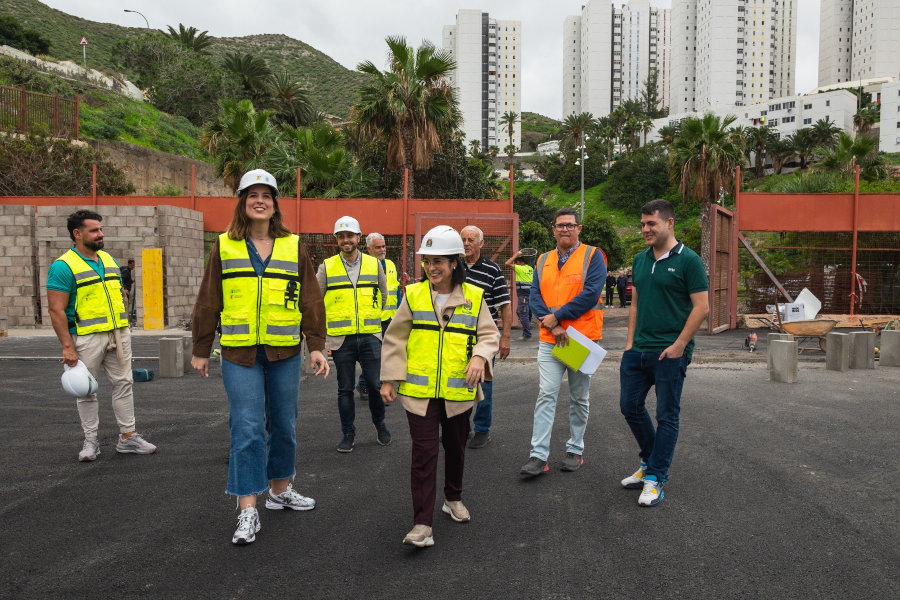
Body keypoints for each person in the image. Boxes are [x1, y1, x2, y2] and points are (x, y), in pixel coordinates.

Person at [191, 169, 329, 545]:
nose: (259, 200)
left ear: (274, 204)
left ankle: (280, 491)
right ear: (242, 202)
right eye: (252, 194)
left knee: (284, 424)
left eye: (266, 195)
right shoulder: (225, 245)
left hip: (284, 351)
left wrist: (316, 344)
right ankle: (247, 509)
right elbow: (208, 299)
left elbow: (311, 299)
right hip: (239, 353)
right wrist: (201, 348)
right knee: (248, 427)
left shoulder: (293, 246)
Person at [380, 226, 500, 548]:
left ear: (455, 263)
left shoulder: (474, 297)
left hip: (458, 391)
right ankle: (422, 524)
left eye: (439, 262)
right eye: (428, 261)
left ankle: (453, 497)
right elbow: (395, 337)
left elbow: (489, 335)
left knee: (456, 447)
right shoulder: (414, 295)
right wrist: (389, 378)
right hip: (419, 393)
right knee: (424, 453)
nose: (432, 268)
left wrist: (479, 358)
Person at [46, 210, 157, 462]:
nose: (101, 234)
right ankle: (91, 442)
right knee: (86, 390)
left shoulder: (107, 258)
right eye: (94, 230)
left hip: (118, 333)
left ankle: (128, 437)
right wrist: (67, 347)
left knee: (124, 383)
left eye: (100, 229)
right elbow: (55, 309)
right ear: (77, 233)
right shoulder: (63, 266)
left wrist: (123, 328)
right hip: (86, 337)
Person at [619, 199, 708, 507]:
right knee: (629, 407)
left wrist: (680, 345)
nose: (645, 229)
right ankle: (649, 462)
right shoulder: (640, 260)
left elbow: (702, 307)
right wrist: (630, 343)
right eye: (642, 224)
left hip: (670, 352)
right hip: (638, 350)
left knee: (666, 415)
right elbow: (636, 304)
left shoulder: (689, 260)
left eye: (651, 223)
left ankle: (655, 477)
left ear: (669, 223)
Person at [520, 208, 607, 476]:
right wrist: (554, 324)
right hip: (550, 339)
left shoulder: (593, 256)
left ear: (579, 228)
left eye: (570, 225)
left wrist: (557, 317)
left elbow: (591, 294)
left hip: (578, 339)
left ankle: (575, 450)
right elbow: (535, 297)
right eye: (560, 225)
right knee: (546, 394)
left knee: (579, 397)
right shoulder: (543, 260)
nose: (565, 229)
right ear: (553, 229)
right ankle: (538, 456)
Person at [318, 216, 390, 452]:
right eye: (341, 236)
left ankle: (380, 424)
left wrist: (376, 324)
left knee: (375, 384)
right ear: (337, 240)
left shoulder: (374, 264)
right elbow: (317, 300)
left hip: (370, 335)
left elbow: (384, 294)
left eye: (350, 236)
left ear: (359, 238)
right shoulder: (327, 266)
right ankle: (348, 433)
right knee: (345, 388)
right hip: (341, 339)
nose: (346, 240)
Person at [460, 226, 511, 450]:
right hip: (457, 336)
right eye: (463, 239)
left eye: (472, 239)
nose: (467, 243)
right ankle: (461, 427)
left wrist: (505, 338)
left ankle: (482, 429)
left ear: (481, 243)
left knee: (484, 385)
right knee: (456, 382)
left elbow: (504, 306)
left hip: (483, 337)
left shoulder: (492, 270)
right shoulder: (453, 266)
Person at [356, 232, 401, 400]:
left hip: (390, 317)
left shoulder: (390, 265)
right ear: (369, 249)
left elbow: (396, 290)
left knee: (388, 353)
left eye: (383, 246)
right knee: (374, 355)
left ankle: (369, 384)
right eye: (378, 247)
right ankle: (366, 384)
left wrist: (398, 312)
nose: (382, 249)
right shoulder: (363, 266)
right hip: (373, 319)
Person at [504, 251, 534, 341]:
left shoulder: (520, 268)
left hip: (523, 295)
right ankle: (526, 332)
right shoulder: (530, 268)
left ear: (518, 262)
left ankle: (527, 335)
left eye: (516, 262)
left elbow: (507, 263)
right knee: (526, 313)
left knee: (522, 314)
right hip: (530, 295)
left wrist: (515, 255)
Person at [121, 259, 136, 325]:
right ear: (129, 264)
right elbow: (122, 280)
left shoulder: (127, 270)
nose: (133, 267)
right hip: (125, 292)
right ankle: (125, 322)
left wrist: (132, 281)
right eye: (132, 265)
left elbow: (127, 280)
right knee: (125, 307)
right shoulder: (126, 271)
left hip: (127, 291)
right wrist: (125, 289)